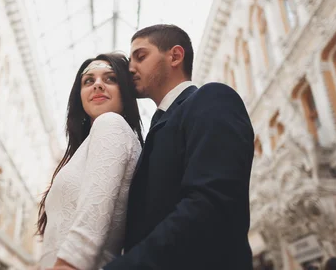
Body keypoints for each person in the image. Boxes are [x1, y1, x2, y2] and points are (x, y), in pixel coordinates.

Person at [104, 24, 255, 269]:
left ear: (175, 55)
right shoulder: (158, 126)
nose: (130, 68)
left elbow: (210, 206)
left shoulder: (212, 99)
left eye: (141, 57)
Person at [38, 53, 144, 270]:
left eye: (110, 79)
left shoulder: (111, 124)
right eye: (88, 81)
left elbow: (94, 217)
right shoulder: (88, 145)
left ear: (125, 91)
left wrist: (67, 265)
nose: (97, 85)